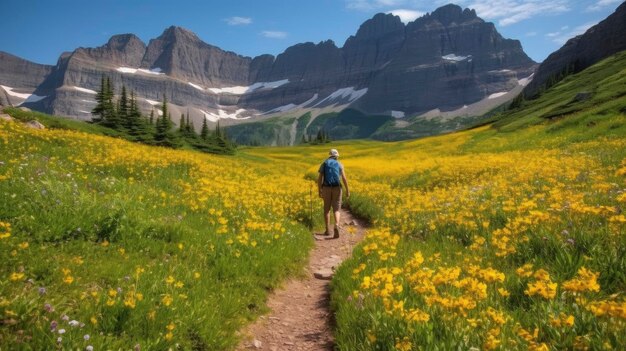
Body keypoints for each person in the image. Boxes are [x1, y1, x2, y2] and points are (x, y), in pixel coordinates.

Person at [318, 148, 350, 238]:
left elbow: (319, 179)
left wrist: (319, 190)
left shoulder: (324, 163)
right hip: (337, 188)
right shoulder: (339, 164)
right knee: (336, 209)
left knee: (326, 209)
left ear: (329, 155)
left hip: (326, 188)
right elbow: (344, 178)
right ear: (337, 156)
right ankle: (336, 224)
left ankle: (327, 230)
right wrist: (347, 190)